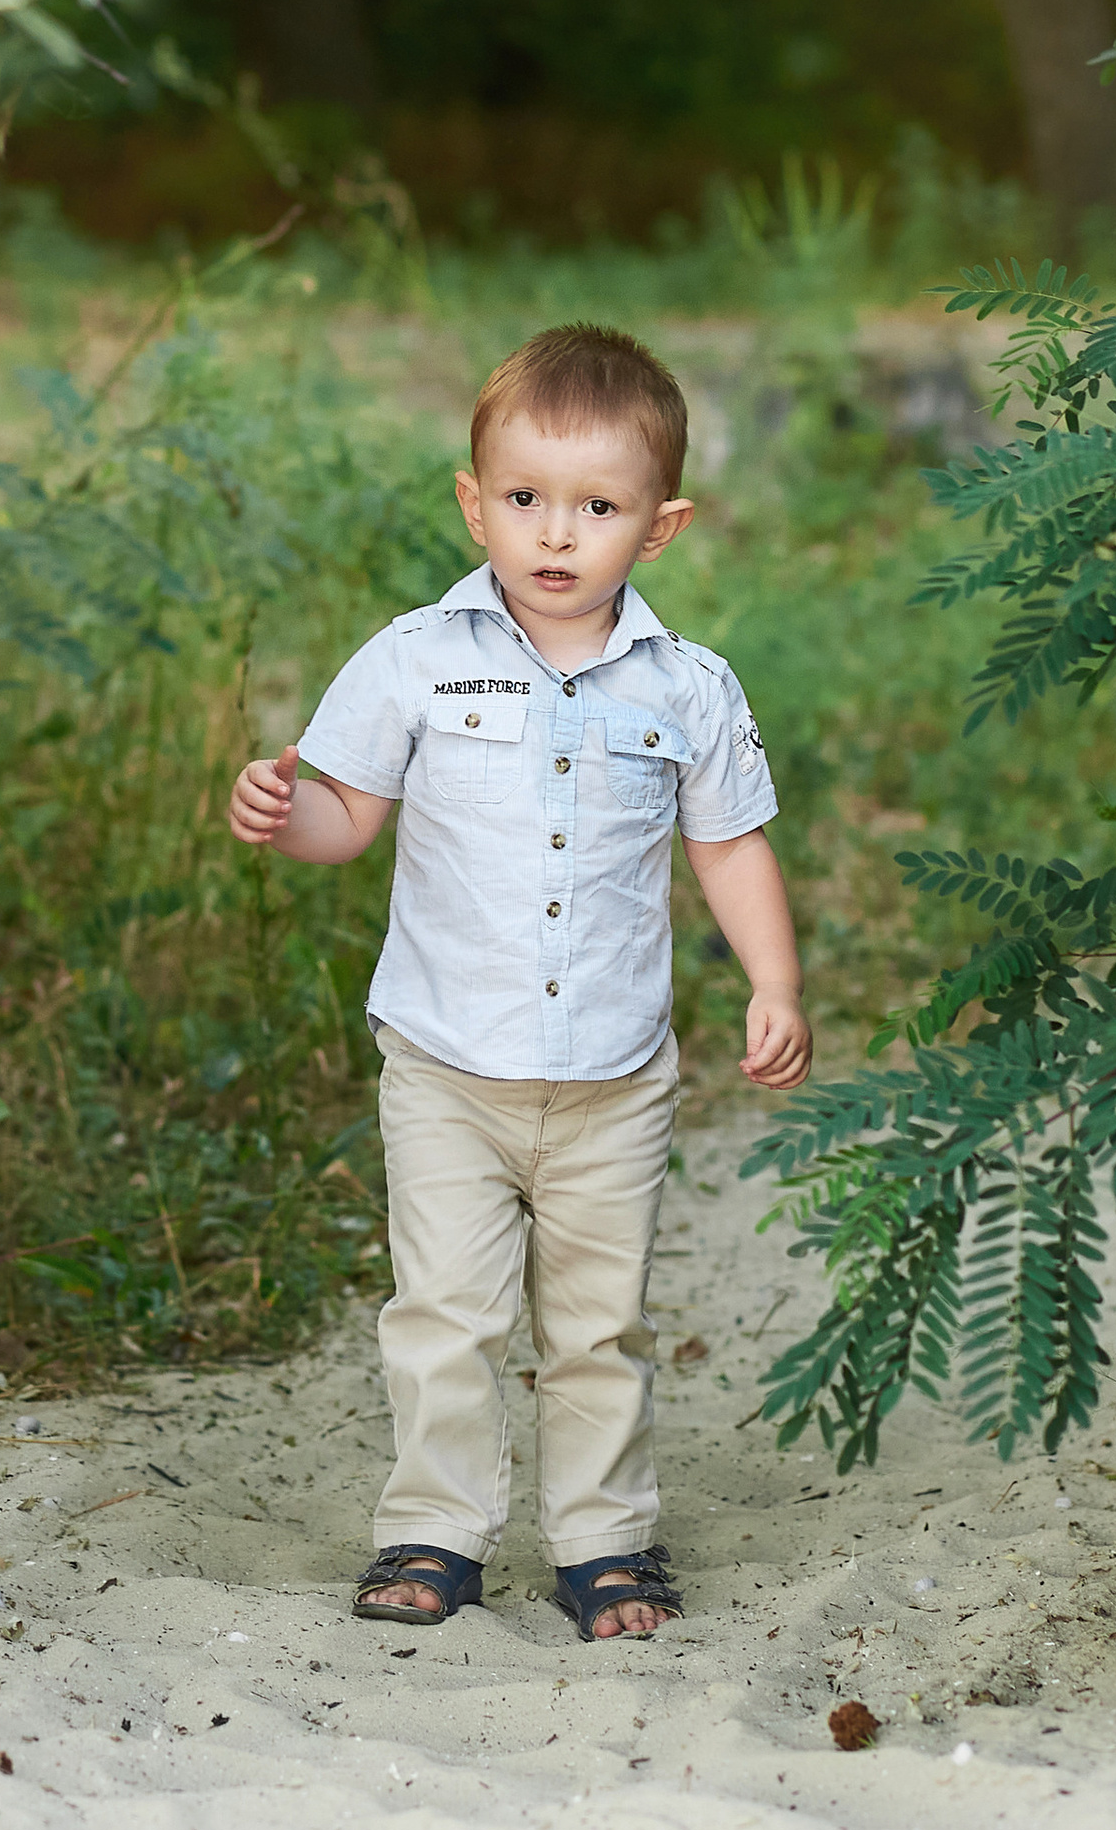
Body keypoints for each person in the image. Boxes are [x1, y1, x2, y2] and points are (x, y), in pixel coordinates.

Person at [227, 322, 811, 1642]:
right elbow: (348, 820)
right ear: (473, 499)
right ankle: (433, 1530)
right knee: (444, 1312)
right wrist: (282, 812)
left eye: (597, 507)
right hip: (444, 1064)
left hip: (613, 1076)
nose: (557, 535)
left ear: (658, 528)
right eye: (527, 500)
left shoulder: (690, 687)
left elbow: (729, 844)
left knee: (599, 1325)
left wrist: (772, 978)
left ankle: (605, 1542)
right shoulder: (414, 658)